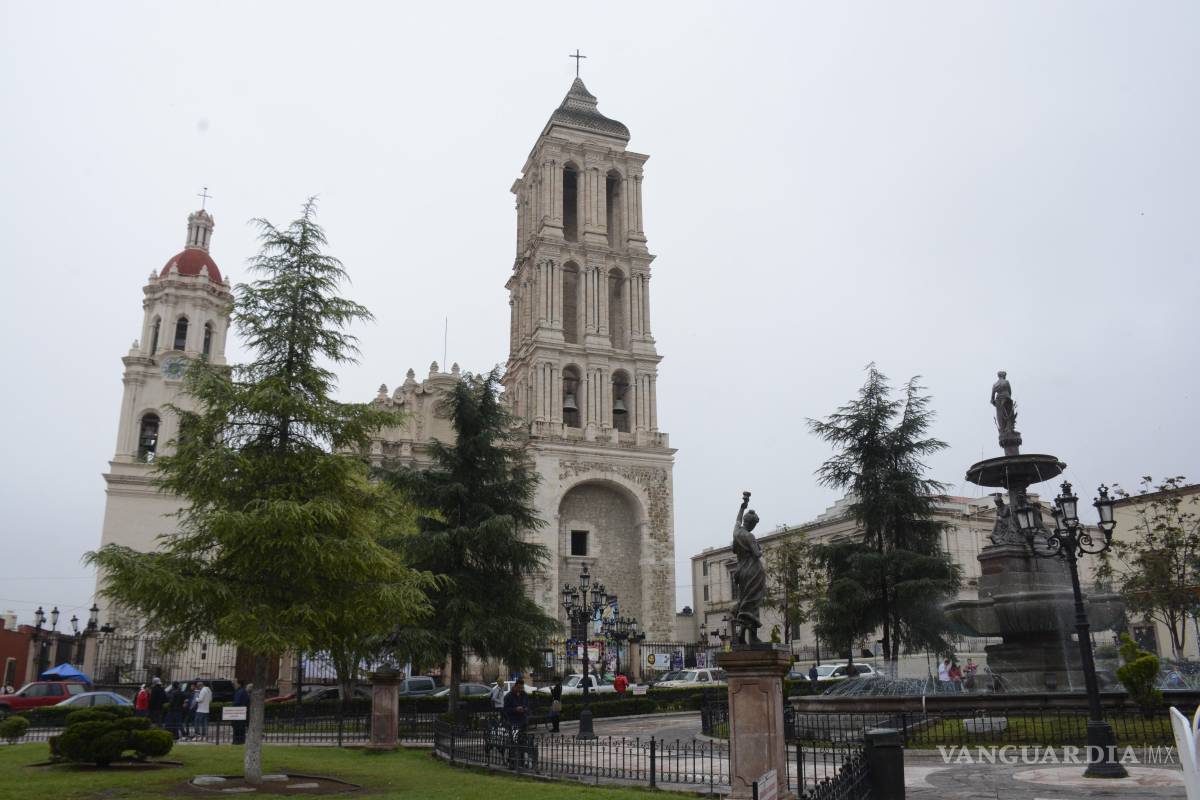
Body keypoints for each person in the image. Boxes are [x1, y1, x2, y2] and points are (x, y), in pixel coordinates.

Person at [231, 680, 249, 745]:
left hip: (238, 713)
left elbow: (236, 703)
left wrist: (232, 708)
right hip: (242, 713)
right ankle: (241, 740)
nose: (234, 685)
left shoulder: (240, 692)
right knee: (241, 728)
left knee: (237, 728)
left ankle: (237, 741)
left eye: (235, 684)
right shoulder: (243, 692)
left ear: (239, 684)